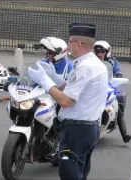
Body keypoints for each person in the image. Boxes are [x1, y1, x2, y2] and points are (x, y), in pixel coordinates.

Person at [28, 22, 108, 180]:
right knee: (79, 173)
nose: (68, 46)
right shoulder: (89, 63)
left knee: (69, 173)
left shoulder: (86, 66)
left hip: (78, 130)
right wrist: (54, 77)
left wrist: (45, 81)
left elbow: (65, 101)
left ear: (78, 43)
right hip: (85, 129)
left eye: (70, 42)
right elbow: (71, 88)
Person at [93, 40, 131, 143]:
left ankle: (124, 134)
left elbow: (117, 70)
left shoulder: (112, 61)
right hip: (94, 87)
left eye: (102, 51)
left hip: (108, 85)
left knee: (118, 105)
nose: (100, 54)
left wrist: (119, 76)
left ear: (107, 52)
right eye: (98, 51)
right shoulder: (91, 60)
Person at [39, 37, 73, 116]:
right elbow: (30, 77)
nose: (48, 55)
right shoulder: (42, 63)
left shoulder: (70, 68)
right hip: (42, 98)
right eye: (47, 52)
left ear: (59, 53)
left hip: (59, 102)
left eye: (50, 52)